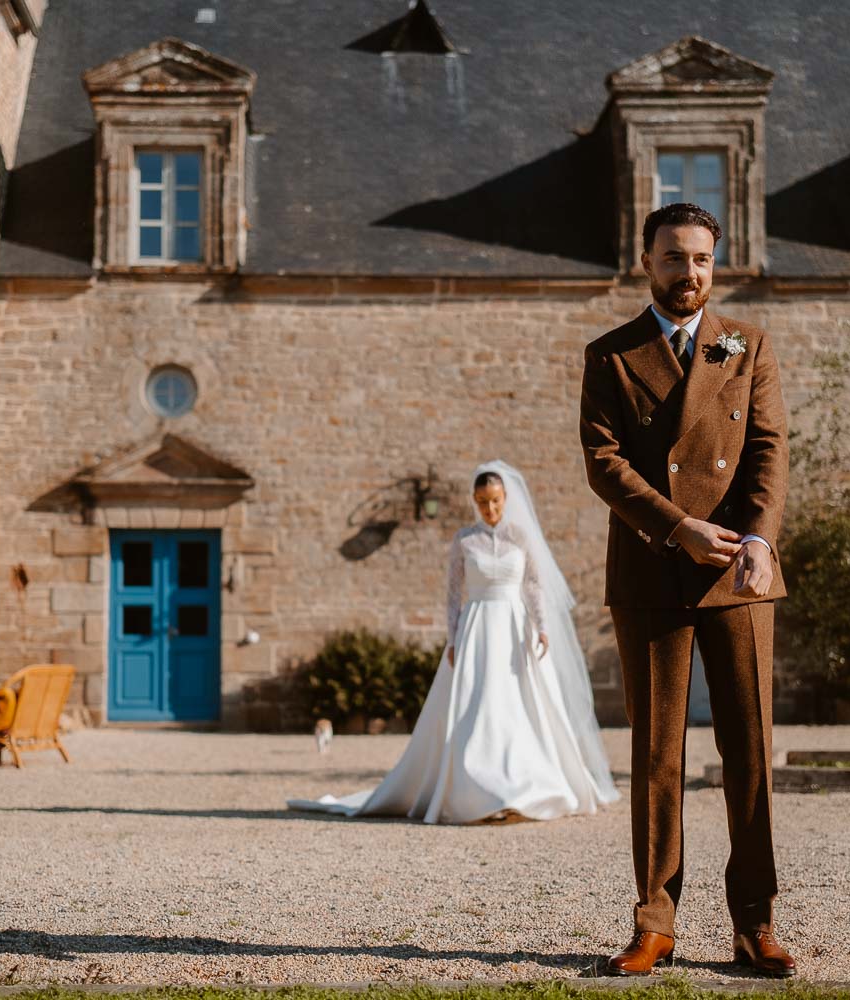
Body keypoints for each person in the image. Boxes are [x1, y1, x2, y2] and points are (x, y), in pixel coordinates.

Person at [580, 203, 796, 977]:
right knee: (657, 757)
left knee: (749, 753)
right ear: (647, 263)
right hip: (651, 570)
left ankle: (755, 924)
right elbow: (605, 465)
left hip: (739, 569)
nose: (689, 273)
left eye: (702, 259)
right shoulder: (611, 354)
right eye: (674, 258)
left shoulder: (748, 344)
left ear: (715, 264)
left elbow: (768, 450)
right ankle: (655, 923)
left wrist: (760, 542)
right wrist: (679, 528)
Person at [287, 460, 618, 824]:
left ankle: (525, 786)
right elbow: (452, 595)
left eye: (494, 501)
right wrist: (453, 640)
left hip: (514, 629)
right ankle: (475, 791)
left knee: (520, 708)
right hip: (477, 630)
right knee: (477, 709)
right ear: (474, 501)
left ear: (505, 498)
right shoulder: (464, 539)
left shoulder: (520, 538)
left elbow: (534, 586)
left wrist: (541, 628)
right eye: (481, 502)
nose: (489, 509)